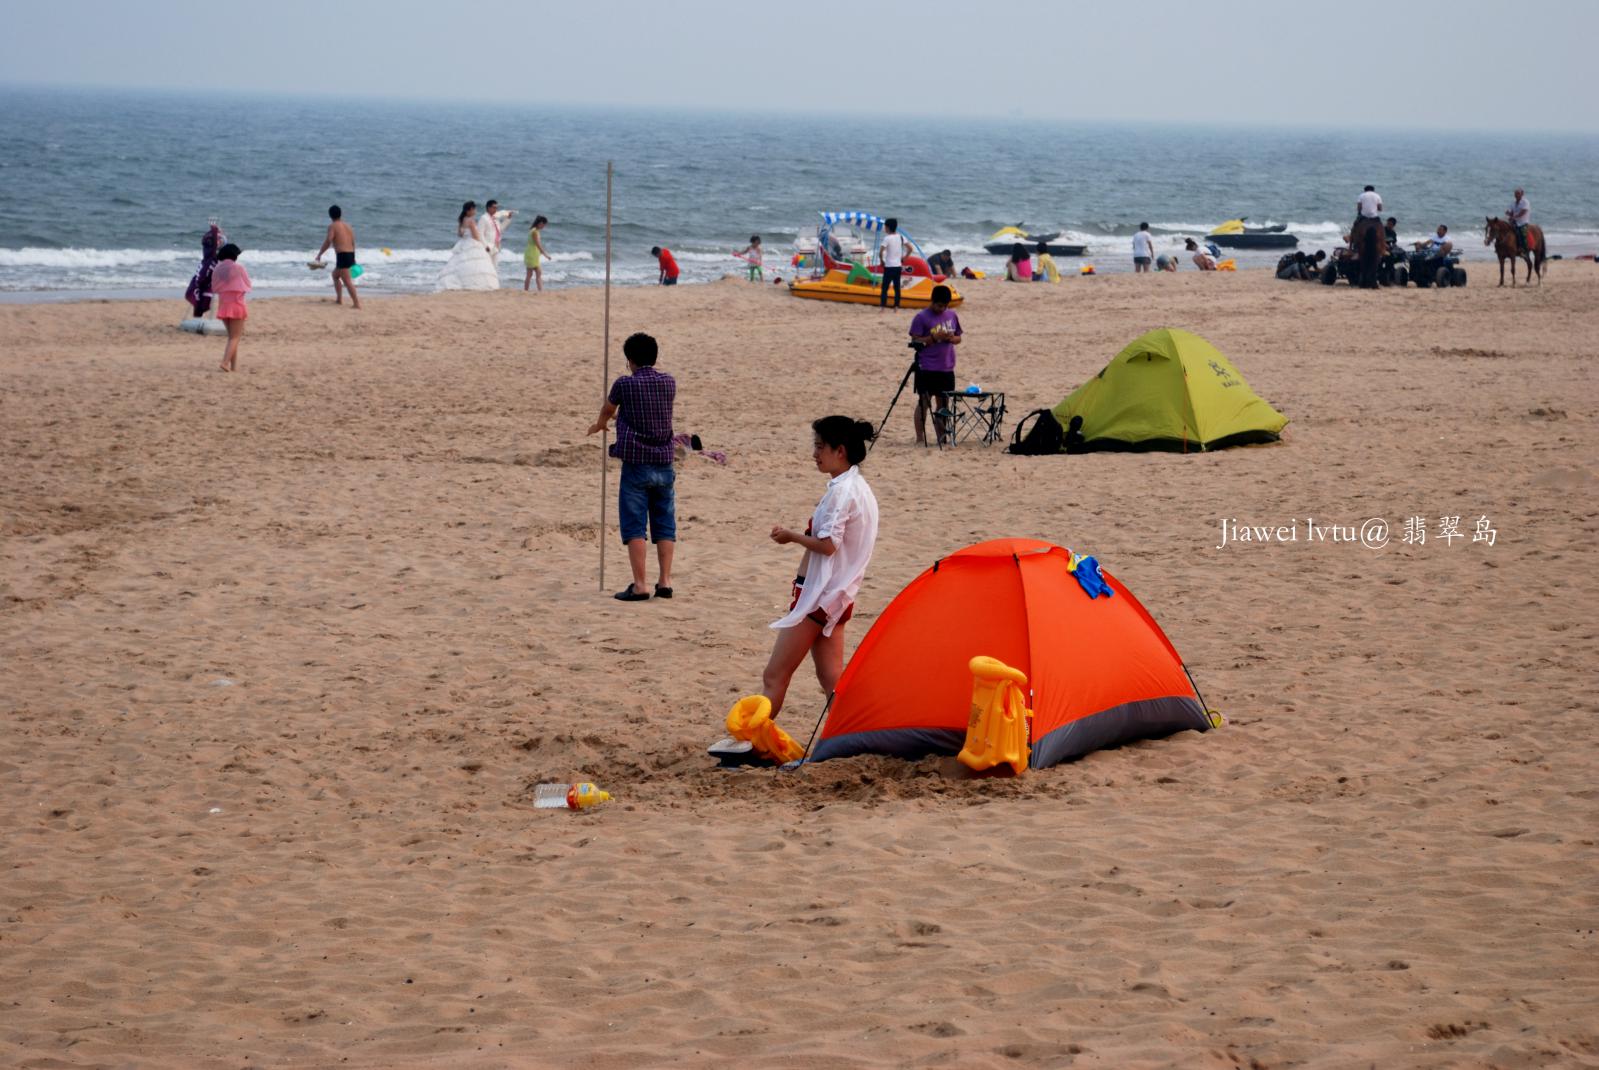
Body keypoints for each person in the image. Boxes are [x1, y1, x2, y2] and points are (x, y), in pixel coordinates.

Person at [759, 416, 879, 719]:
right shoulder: (858, 487)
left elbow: (828, 545)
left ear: (840, 450)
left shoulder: (843, 491)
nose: (815, 453)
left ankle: (754, 741)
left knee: (774, 675)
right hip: (837, 595)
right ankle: (848, 737)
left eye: (819, 446)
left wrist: (792, 537)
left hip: (817, 596)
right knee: (832, 680)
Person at [588, 332, 676, 601]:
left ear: (630, 360)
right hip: (664, 460)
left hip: (636, 462)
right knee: (664, 523)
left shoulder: (624, 385)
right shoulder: (668, 383)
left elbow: (607, 409)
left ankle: (640, 585)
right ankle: (665, 581)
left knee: (635, 523)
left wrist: (601, 424)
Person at [907, 284, 962, 447]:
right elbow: (915, 341)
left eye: (945, 306)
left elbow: (959, 337)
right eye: (939, 305)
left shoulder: (952, 315)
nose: (942, 309)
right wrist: (933, 338)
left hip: (947, 366)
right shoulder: (921, 317)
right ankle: (919, 438)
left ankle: (941, 436)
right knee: (924, 401)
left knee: (943, 403)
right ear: (932, 301)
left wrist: (952, 339)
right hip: (927, 366)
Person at [436, 201, 500, 291]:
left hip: (463, 242)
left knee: (461, 263)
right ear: (469, 210)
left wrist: (467, 236)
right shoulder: (471, 220)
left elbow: (459, 234)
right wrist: (481, 244)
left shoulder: (461, 219)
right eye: (474, 209)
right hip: (472, 242)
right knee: (477, 264)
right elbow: (476, 236)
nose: (475, 211)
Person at [210, 243, 250, 372]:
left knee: (232, 338)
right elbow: (247, 284)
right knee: (235, 337)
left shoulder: (217, 269)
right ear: (234, 255)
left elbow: (215, 287)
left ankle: (233, 367)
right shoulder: (238, 268)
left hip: (224, 305)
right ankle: (225, 363)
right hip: (237, 305)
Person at [315, 205, 362, 309]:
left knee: (347, 281)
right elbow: (353, 242)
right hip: (349, 254)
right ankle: (339, 299)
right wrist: (353, 258)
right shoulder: (348, 226)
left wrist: (320, 254)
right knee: (335, 275)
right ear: (340, 214)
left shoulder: (333, 226)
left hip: (342, 255)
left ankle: (357, 303)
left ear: (330, 215)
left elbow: (328, 241)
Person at [879, 218, 907, 309]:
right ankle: (896, 306)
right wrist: (905, 257)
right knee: (897, 287)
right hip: (898, 266)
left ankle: (883, 306)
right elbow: (910, 248)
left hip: (889, 266)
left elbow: (881, 251)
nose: (885, 229)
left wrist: (881, 260)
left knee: (885, 288)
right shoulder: (901, 237)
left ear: (887, 227)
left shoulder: (887, 238)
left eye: (885, 227)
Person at [481, 199, 513, 266]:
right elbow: (480, 233)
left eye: (496, 208)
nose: (496, 209)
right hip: (488, 246)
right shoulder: (484, 218)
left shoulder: (496, 218)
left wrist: (508, 219)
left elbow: (500, 229)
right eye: (494, 207)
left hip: (496, 246)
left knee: (495, 267)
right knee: (487, 266)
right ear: (488, 208)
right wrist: (485, 245)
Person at [523, 215, 549, 292]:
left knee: (534, 274)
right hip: (532, 254)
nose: (544, 226)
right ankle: (530, 291)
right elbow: (538, 244)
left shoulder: (534, 230)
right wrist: (545, 254)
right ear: (540, 223)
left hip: (532, 253)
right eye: (544, 224)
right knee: (532, 274)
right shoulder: (535, 232)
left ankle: (535, 290)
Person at [1508, 188, 1530, 252]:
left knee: (1521, 234)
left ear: (1522, 194)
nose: (1516, 195)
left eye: (1518, 193)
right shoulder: (1513, 203)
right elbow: (1511, 213)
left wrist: (1515, 216)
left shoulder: (1525, 202)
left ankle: (1523, 249)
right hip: (1514, 222)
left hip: (1523, 222)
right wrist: (1509, 213)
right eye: (1515, 194)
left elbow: (1523, 212)